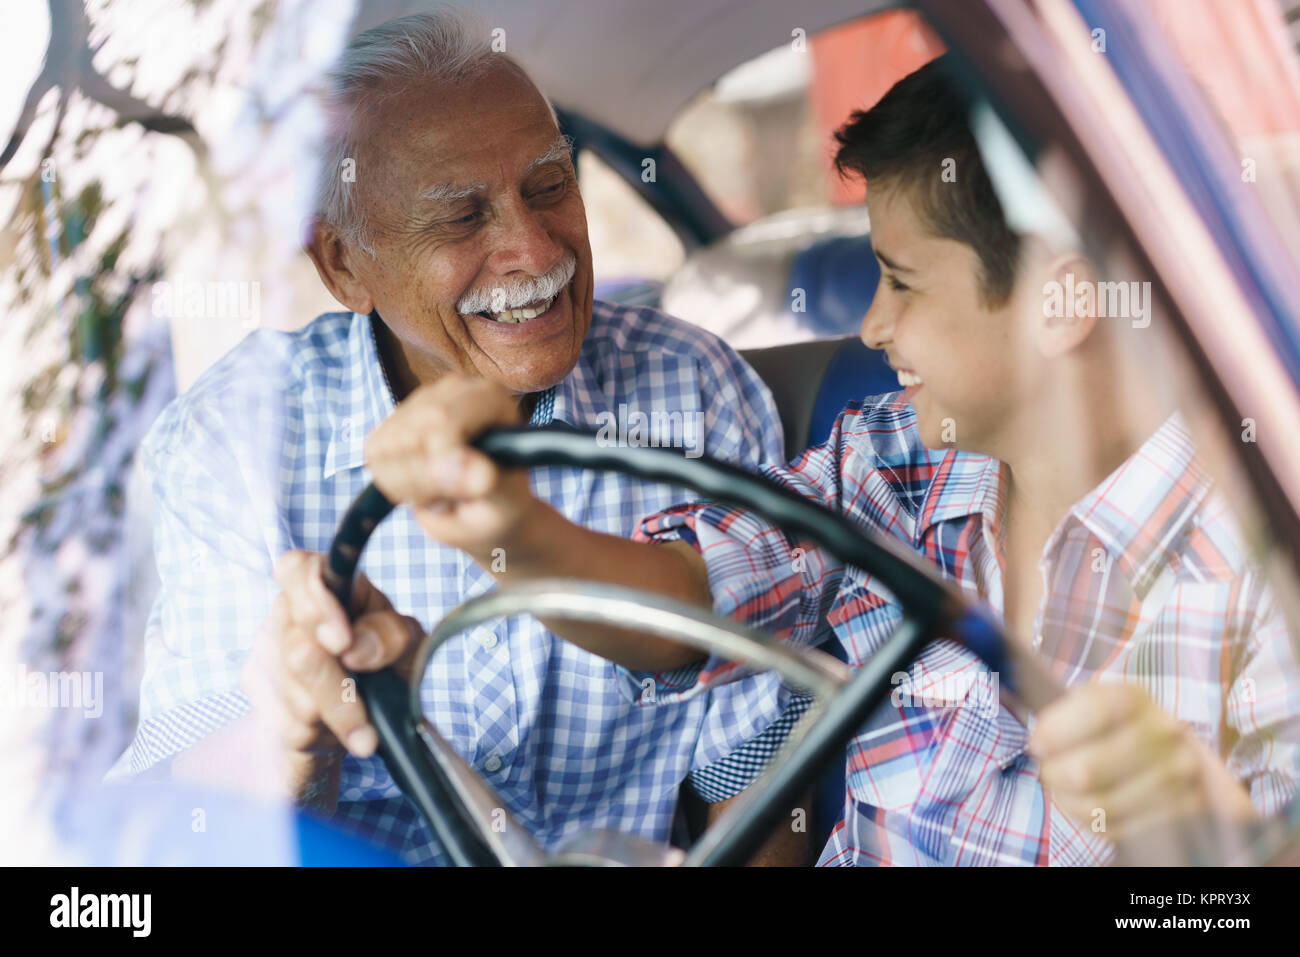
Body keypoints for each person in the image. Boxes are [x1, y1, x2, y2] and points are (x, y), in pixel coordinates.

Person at [360, 56, 1300, 865]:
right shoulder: (887, 464)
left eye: (900, 281)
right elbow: (681, 605)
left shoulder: (1260, 569)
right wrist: (515, 528)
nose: (871, 325)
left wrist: (1216, 843)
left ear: (1061, 302)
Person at [109, 11, 810, 865]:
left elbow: (763, 769)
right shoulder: (235, 440)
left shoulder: (694, 390)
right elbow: (186, 819)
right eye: (461, 218)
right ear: (344, 267)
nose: (532, 247)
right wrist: (291, 736)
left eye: (549, 186)